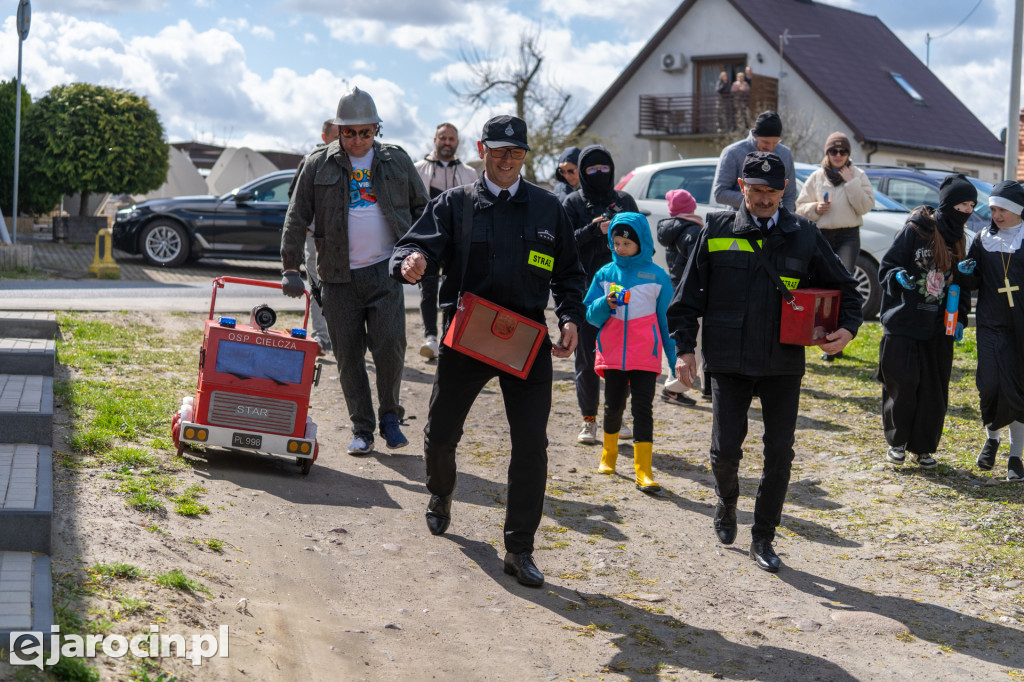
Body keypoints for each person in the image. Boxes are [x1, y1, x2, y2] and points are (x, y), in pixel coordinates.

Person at [391, 115, 586, 588]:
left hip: (526, 341)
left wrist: (569, 317)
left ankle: (520, 548)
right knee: (440, 434)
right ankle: (440, 493)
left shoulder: (547, 209)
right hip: (468, 336)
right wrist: (410, 262)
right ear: (481, 148)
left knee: (530, 447)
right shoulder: (454, 204)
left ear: (525, 156)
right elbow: (412, 247)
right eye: (497, 149)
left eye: (515, 152)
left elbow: (569, 274)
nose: (505, 159)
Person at [668, 151, 862, 573]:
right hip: (729, 360)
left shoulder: (804, 235)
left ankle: (763, 536)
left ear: (784, 192)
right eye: (755, 190)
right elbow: (685, 300)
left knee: (779, 453)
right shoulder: (716, 229)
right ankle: (726, 500)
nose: (763, 199)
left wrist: (846, 330)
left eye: (772, 192)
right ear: (742, 188)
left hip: (781, 363)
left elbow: (846, 289)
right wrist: (685, 350)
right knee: (724, 451)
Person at [280, 87, 429, 455]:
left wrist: (423, 253)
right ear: (338, 130)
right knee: (348, 358)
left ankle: (390, 417)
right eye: (350, 132)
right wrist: (290, 267)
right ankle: (362, 428)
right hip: (336, 277)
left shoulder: (396, 160)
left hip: (386, 272)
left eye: (366, 132)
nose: (358, 140)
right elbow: (297, 216)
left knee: (391, 348)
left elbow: (423, 209)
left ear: (377, 130)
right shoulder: (317, 164)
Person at [877, 173, 974, 470]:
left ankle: (924, 447)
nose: (968, 211)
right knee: (903, 384)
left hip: (939, 326)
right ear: (947, 204)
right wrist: (896, 277)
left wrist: (961, 317)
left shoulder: (959, 238)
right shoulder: (916, 230)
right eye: (962, 204)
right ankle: (898, 442)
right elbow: (888, 265)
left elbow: (962, 285)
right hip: (905, 321)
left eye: (972, 205)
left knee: (934, 388)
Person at [585, 211, 678, 493]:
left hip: (644, 356)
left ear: (642, 242)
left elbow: (668, 323)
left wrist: (675, 362)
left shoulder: (658, 277)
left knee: (642, 410)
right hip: (612, 354)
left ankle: (643, 471)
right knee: (613, 407)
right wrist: (604, 303)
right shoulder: (604, 274)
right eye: (616, 242)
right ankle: (608, 455)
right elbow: (590, 315)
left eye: (627, 243)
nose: (621, 248)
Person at [562, 145, 640, 445]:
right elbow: (564, 244)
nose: (598, 174)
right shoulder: (572, 203)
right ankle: (589, 420)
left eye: (603, 169)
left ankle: (616, 418)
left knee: (621, 357)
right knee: (586, 358)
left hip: (621, 289)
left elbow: (641, 240)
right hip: (585, 292)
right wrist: (593, 230)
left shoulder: (624, 200)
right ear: (582, 172)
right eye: (591, 170)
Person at [961, 180, 1024, 481]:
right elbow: (974, 283)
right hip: (990, 323)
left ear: (1017, 210)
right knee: (989, 385)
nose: (995, 215)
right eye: (994, 209)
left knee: (1017, 389)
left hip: (1021, 326)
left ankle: (1015, 456)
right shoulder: (984, 238)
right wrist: (968, 273)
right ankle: (992, 437)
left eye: (1002, 210)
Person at [795, 132, 875, 361]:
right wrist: (815, 209)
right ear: (827, 153)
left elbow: (865, 206)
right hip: (822, 236)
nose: (838, 155)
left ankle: (838, 341)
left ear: (848, 154)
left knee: (843, 284)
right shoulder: (817, 176)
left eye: (842, 151)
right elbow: (799, 207)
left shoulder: (858, 175)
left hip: (848, 236)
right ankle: (823, 338)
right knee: (822, 288)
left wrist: (851, 183)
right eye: (833, 151)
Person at [413, 122, 478, 361]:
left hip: (458, 241)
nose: (447, 142)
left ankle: (448, 338)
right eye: (443, 138)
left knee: (454, 288)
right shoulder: (417, 169)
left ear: (457, 142)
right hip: (428, 239)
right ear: (435, 139)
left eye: (451, 139)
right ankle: (430, 337)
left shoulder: (470, 174)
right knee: (428, 288)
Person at [286, 119, 340, 357]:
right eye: (338, 135)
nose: (343, 140)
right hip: (315, 237)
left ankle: (342, 339)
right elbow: (295, 199)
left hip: (344, 241)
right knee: (317, 285)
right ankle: (321, 336)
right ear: (324, 136)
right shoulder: (310, 161)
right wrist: (308, 226)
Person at [656, 188, 704, 406]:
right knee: (695, 344)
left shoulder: (670, 230)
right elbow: (699, 265)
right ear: (690, 207)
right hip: (692, 294)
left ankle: (674, 382)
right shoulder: (693, 232)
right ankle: (674, 388)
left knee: (677, 342)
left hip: (675, 290)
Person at [712, 110, 797, 212]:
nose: (770, 147)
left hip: (775, 222)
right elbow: (720, 193)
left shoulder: (785, 154)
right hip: (739, 219)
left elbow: (789, 195)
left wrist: (786, 221)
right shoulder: (732, 153)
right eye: (765, 142)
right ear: (754, 136)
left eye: (775, 143)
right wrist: (756, 200)